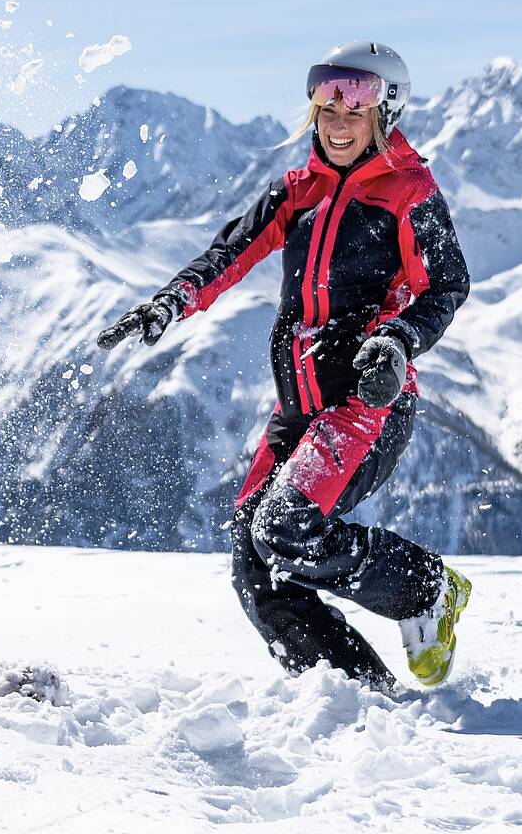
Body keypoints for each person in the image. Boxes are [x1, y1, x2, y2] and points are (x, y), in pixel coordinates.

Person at [98, 41, 473, 693]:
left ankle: (426, 589)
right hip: (296, 412)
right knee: (256, 565)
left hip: (365, 406)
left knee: (288, 531)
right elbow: (227, 256)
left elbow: (446, 284)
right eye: (326, 93)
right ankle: (361, 699)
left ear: (388, 108)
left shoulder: (409, 194)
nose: (337, 113)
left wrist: (397, 342)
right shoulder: (296, 194)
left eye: (356, 98)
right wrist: (169, 305)